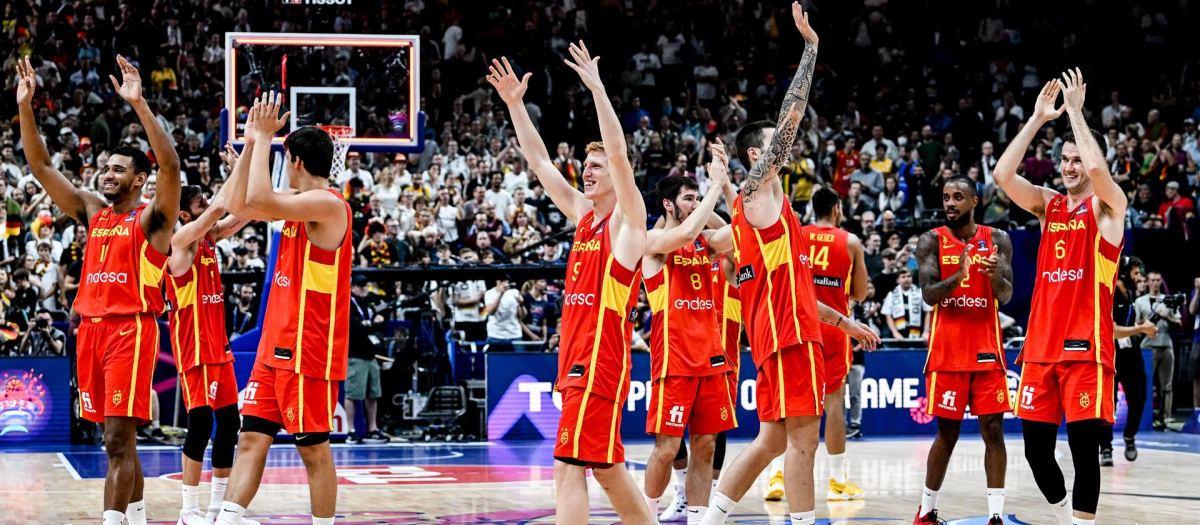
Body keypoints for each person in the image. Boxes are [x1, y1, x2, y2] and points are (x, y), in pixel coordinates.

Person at [699, 6, 879, 525]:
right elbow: (792, 114)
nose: (789, 142)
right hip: (786, 339)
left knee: (773, 440)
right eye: (776, 141)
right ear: (760, 152)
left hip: (790, 331)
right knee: (803, 442)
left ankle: (709, 519)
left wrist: (846, 323)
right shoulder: (757, 194)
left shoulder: (774, 215)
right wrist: (811, 49)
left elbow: (799, 289)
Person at [488, 44, 652, 525]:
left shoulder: (627, 222)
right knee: (607, 468)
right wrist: (516, 105)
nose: (588, 169)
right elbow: (540, 163)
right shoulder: (582, 215)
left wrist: (597, 89)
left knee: (567, 467)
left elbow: (619, 155)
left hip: (600, 360)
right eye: (586, 164)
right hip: (576, 357)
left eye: (595, 166)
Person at [18, 55, 181, 525]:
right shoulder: (93, 211)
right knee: (118, 440)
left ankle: (113, 522)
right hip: (90, 331)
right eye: (104, 168)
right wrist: (26, 108)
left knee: (114, 441)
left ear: (138, 180)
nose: (106, 174)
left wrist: (140, 105)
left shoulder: (152, 219)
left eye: (117, 170)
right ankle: (138, 513)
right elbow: (42, 165)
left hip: (131, 330)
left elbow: (169, 166)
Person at [994, 73, 1127, 525]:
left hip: (1086, 350)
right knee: (1035, 452)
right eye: (1064, 159)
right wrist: (1035, 119)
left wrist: (1074, 110)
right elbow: (1002, 175)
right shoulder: (1049, 205)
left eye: (1076, 158)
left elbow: (1095, 171)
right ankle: (1062, 517)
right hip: (1040, 350)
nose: (1070, 166)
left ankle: (1079, 524)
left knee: (1083, 451)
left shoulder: (1108, 208)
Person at [217, 92, 353, 525]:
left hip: (308, 349)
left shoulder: (329, 205)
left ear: (293, 160)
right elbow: (240, 205)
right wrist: (252, 149)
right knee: (251, 439)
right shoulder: (295, 207)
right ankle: (229, 518)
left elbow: (257, 200)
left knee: (313, 448)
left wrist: (260, 137)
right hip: (273, 347)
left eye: (282, 155)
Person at [912, 175, 1015, 525]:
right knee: (947, 433)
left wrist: (990, 277)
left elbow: (1006, 295)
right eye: (945, 197)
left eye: (958, 197)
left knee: (994, 432)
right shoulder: (930, 240)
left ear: (974, 202)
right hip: (948, 353)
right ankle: (926, 512)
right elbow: (929, 294)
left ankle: (996, 516)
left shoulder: (998, 239)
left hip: (987, 351)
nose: (950, 203)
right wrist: (960, 273)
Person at [640, 148, 734, 522]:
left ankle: (697, 518)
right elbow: (688, 230)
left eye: (697, 197)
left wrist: (722, 185)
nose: (695, 204)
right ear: (668, 204)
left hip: (711, 357)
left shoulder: (704, 245)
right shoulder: (652, 242)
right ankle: (644, 516)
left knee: (706, 445)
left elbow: (738, 230)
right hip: (674, 359)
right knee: (666, 448)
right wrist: (713, 184)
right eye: (687, 198)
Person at [761, 187, 869, 503]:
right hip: (834, 328)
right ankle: (836, 481)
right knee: (834, 401)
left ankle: (775, 476)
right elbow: (860, 293)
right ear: (836, 209)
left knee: (786, 402)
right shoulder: (849, 241)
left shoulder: (798, 233)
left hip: (797, 323)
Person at [166, 175, 253, 524]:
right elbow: (220, 206)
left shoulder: (210, 240)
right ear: (186, 215)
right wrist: (248, 155)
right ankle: (189, 509)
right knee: (200, 424)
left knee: (230, 422)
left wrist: (248, 172)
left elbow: (242, 212)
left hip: (219, 348)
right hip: (194, 349)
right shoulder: (181, 244)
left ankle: (218, 507)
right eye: (199, 203)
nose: (207, 207)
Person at [1100, 256, 1155, 465]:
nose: (1139, 277)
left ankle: (1130, 435)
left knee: (1140, 395)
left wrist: (1143, 326)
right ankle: (1105, 447)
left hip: (1131, 353)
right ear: (1123, 273)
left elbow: (1127, 324)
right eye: (1135, 273)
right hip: (1111, 355)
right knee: (1109, 403)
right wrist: (1142, 328)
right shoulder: (1109, 294)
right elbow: (1113, 330)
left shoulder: (1131, 294)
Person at [1133, 270, 1183, 429]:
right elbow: (1135, 324)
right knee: (1145, 383)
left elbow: (1179, 322)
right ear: (1147, 282)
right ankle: (1144, 417)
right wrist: (1150, 319)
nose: (1155, 283)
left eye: (1158, 280)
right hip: (1147, 347)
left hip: (1166, 344)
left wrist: (1165, 317)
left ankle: (1166, 417)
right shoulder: (1140, 301)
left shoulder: (1168, 300)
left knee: (1166, 385)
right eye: (1153, 280)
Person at [346, 274, 387, 444]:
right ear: (353, 287)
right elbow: (355, 326)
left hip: (371, 355)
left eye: (365, 286)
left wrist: (371, 324)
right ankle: (351, 430)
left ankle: (373, 428)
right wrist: (372, 324)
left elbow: (380, 324)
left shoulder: (368, 304)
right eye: (360, 286)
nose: (364, 289)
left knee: (373, 393)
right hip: (355, 354)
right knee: (353, 393)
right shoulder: (348, 303)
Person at [882, 268, 930, 340]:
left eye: (909, 276)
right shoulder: (891, 294)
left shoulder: (920, 293)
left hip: (918, 335)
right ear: (898, 280)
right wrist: (895, 332)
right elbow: (887, 315)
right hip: (898, 336)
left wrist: (926, 331)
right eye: (903, 277)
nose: (906, 279)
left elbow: (927, 312)